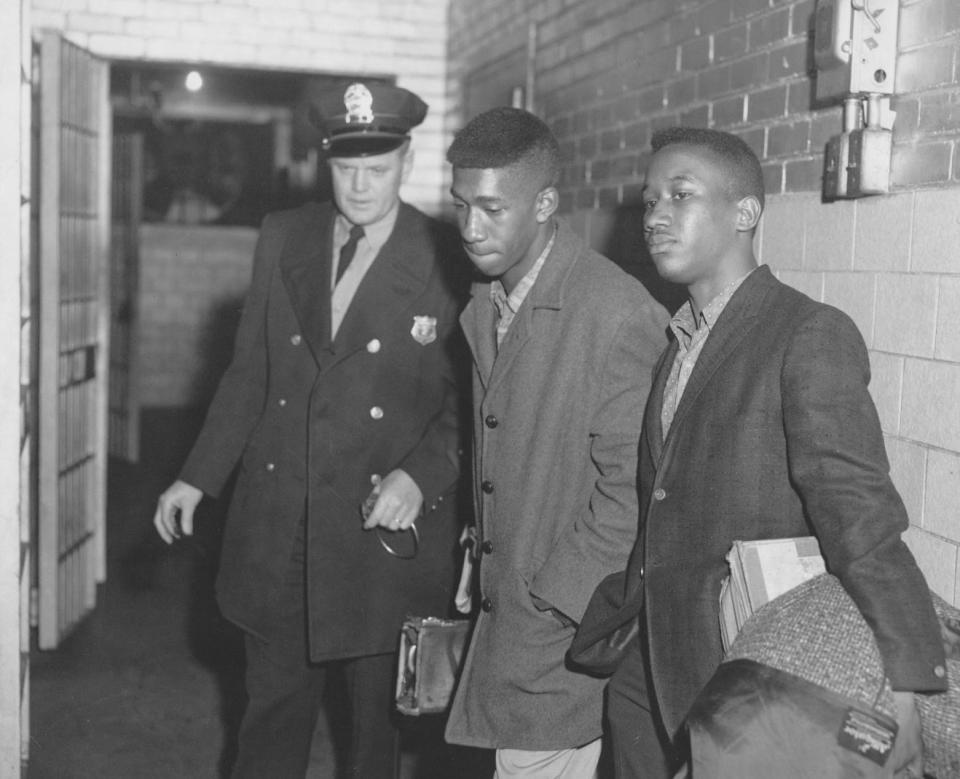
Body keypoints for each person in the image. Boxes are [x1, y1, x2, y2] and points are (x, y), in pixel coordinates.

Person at [571, 127, 948, 778]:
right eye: (650, 198)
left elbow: (860, 516)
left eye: (680, 195)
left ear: (745, 213)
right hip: (649, 664)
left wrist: (914, 676)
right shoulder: (679, 344)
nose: (656, 215)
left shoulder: (807, 333)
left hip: (744, 672)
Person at [153, 82, 467, 779]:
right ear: (325, 159)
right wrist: (196, 474)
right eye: (345, 166)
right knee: (268, 724)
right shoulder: (285, 235)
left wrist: (422, 475)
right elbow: (248, 374)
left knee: (371, 742)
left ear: (408, 159)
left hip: (376, 543)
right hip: (282, 530)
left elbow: (472, 403)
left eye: (378, 168)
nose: (359, 184)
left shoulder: (446, 256)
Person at [442, 106, 669, 778]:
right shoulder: (490, 297)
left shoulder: (616, 311)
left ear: (545, 203)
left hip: (561, 644)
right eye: (459, 205)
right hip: (508, 626)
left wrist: (552, 601)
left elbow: (632, 494)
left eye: (490, 207)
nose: (469, 228)